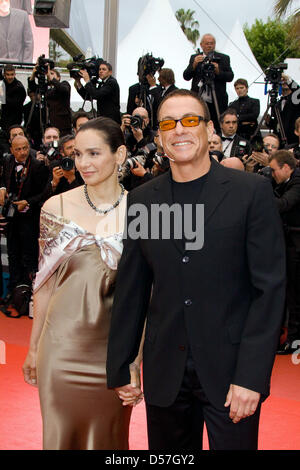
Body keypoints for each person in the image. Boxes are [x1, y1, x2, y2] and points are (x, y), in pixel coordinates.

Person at [107, 89, 286, 451]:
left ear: (208, 129)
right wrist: (122, 360)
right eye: (168, 124)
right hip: (165, 370)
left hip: (231, 371)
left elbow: (269, 290)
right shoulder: (143, 199)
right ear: (158, 137)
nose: (180, 131)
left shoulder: (250, 192)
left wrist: (251, 377)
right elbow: (132, 288)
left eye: (190, 120)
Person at [22, 117, 143, 450]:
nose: (84, 163)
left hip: (113, 354)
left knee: (110, 442)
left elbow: (147, 297)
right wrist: (34, 348)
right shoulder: (55, 207)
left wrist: (134, 362)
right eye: (78, 154)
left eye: (94, 153)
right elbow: (44, 286)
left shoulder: (142, 211)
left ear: (119, 155)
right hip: (60, 351)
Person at [0, 135, 48, 305]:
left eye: (25, 148)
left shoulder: (37, 166)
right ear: (11, 150)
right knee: (13, 254)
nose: (22, 152)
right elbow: (3, 179)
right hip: (12, 217)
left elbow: (45, 193)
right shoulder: (7, 162)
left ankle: (29, 295)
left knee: (29, 256)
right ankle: (14, 291)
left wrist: (28, 202)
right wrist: (2, 188)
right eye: (18, 149)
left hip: (30, 219)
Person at [269, 150, 300, 354]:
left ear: (286, 168)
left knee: (295, 295)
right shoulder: (284, 182)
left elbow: (284, 204)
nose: (272, 175)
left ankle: (294, 340)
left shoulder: (298, 183)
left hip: (296, 247)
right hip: (289, 245)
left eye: (273, 171)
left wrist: (259, 197)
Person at [183, 34, 234, 132]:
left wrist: (218, 71)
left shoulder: (223, 58)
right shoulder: (195, 57)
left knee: (218, 125)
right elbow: (186, 76)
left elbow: (230, 77)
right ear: (201, 45)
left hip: (217, 99)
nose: (209, 46)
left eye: (212, 43)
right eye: (207, 44)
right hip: (199, 97)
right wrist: (194, 64)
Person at [28, 66, 72, 137]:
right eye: (48, 73)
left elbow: (63, 89)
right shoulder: (46, 88)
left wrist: (50, 77)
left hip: (62, 126)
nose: (48, 75)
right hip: (48, 125)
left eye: (52, 73)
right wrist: (34, 72)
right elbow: (32, 87)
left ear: (58, 77)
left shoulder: (64, 84)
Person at [0, 64, 26, 132]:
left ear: (15, 74)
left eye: (12, 74)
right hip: (4, 120)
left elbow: (15, 104)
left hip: (15, 121)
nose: (10, 77)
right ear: (4, 75)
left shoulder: (19, 87)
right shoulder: (3, 83)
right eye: (7, 75)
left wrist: (2, 95)